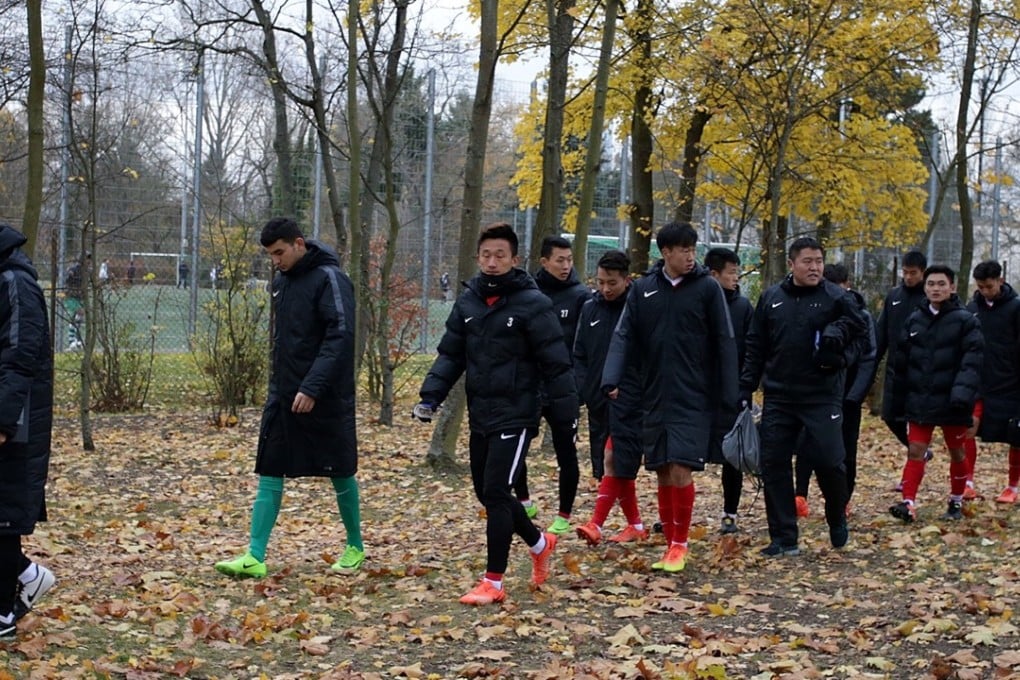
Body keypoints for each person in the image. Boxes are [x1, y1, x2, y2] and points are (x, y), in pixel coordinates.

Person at [414, 222, 577, 605]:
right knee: (489, 495)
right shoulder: (469, 300)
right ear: (477, 258)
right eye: (486, 255)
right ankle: (539, 544)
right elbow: (451, 354)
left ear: (514, 259)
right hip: (481, 411)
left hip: (518, 413)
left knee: (497, 491)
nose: (491, 262)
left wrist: (567, 416)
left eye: (500, 255)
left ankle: (494, 582)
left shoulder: (533, 303)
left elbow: (556, 363)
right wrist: (430, 397)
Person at [215, 218, 365, 578]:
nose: (275, 261)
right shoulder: (281, 281)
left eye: (279, 253)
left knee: (340, 469)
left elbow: (340, 337)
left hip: (325, 395)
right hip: (283, 394)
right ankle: (254, 555)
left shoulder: (331, 279)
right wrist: (284, 385)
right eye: (270, 255)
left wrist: (312, 386)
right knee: (270, 466)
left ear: (299, 244)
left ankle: (355, 546)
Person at [602, 222, 738, 573]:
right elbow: (624, 335)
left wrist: (730, 392)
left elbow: (724, 339)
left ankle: (681, 543)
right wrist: (610, 377)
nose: (690, 256)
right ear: (666, 253)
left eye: (693, 249)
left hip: (694, 396)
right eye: (683, 250)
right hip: (654, 394)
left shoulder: (708, 288)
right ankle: (669, 543)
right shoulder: (644, 289)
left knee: (680, 466)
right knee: (662, 469)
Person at [740, 237, 867, 556]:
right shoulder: (771, 298)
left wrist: (840, 359)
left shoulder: (837, 297)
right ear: (792, 264)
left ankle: (836, 515)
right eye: (807, 261)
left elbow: (862, 340)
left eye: (819, 261)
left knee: (829, 461)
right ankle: (784, 537)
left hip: (822, 396)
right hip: (780, 396)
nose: (814, 267)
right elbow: (756, 345)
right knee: (774, 463)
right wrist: (745, 387)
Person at [889, 264, 983, 522]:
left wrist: (962, 396)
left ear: (952, 287)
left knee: (957, 452)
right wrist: (897, 398)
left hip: (954, 402)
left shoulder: (966, 321)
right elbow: (902, 361)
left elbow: (972, 362)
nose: (936, 289)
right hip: (921, 400)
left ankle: (955, 500)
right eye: (931, 284)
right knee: (916, 450)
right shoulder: (914, 319)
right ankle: (908, 503)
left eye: (941, 284)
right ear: (925, 287)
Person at [0, 224, 56, 640]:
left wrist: (3, 421)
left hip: (14, 424)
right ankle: (29, 576)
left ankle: (4, 608)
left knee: (2, 516)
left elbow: (20, 358)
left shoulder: (16, 284)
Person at [513, 235, 589, 535]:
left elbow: (585, 347)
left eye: (569, 260)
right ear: (544, 261)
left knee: (566, 452)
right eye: (560, 260)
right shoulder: (526, 293)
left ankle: (564, 515)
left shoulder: (581, 296)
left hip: (563, 389)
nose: (566, 266)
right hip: (530, 387)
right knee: (516, 446)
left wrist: (577, 383)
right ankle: (524, 500)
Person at [573, 250, 648, 545]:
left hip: (631, 400)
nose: (605, 288)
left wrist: (627, 385)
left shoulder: (638, 309)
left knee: (613, 458)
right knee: (617, 466)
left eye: (612, 283)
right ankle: (636, 525)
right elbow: (580, 353)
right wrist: (583, 389)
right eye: (601, 281)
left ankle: (596, 524)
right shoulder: (590, 308)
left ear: (627, 280)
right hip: (598, 401)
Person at [794, 263, 877, 518]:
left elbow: (868, 356)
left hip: (848, 396)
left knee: (845, 450)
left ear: (847, 286)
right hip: (816, 393)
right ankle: (800, 496)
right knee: (807, 445)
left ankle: (842, 500)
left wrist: (854, 396)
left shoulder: (861, 317)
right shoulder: (814, 310)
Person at [704, 247, 755, 534]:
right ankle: (671, 517)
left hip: (731, 392)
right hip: (698, 391)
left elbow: (751, 350)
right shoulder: (698, 301)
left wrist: (745, 386)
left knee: (732, 456)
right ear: (714, 274)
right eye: (732, 273)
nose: (736, 278)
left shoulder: (743, 307)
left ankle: (730, 513)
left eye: (737, 272)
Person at [963, 261, 1020, 503]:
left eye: (989, 286)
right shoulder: (971, 309)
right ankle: (967, 481)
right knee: (967, 428)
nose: (985, 291)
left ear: (1001, 281)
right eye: (980, 287)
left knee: (1015, 435)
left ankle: (1013, 486)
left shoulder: (1016, 308)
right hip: (977, 382)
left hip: (1009, 383)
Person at [874, 250, 930, 490]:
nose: (908, 277)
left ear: (923, 273)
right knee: (890, 416)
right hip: (896, 370)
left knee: (914, 424)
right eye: (905, 272)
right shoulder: (894, 297)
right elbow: (881, 334)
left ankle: (910, 476)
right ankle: (920, 453)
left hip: (922, 373)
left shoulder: (930, 298)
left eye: (913, 273)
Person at [64, 252, 89, 350]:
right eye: (87, 259)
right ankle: (72, 341)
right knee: (78, 314)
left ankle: (77, 341)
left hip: (79, 297)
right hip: (71, 296)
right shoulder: (74, 269)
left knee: (78, 318)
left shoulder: (86, 271)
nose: (89, 261)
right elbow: (67, 280)